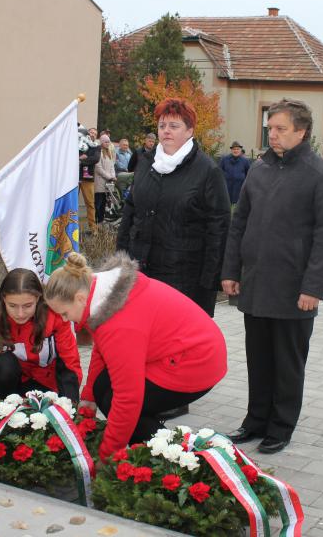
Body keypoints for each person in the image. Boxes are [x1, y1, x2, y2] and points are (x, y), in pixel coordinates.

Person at [220, 98, 323, 455]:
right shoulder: (259, 170)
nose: (272, 135)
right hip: (257, 283)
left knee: (288, 362)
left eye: (280, 129)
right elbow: (240, 222)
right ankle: (256, 420)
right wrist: (231, 270)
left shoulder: (322, 174)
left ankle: (281, 425)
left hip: (294, 288)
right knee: (258, 358)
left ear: (301, 132)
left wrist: (313, 287)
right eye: (270, 128)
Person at [46, 253, 227, 461]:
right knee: (101, 388)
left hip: (196, 363)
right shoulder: (105, 295)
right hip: (182, 350)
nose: (64, 320)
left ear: (79, 298)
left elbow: (128, 398)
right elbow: (102, 350)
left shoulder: (119, 324)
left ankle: (171, 460)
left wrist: (107, 456)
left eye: (64, 313)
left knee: (116, 401)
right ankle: (150, 447)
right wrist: (89, 397)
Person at [117, 98, 230, 419]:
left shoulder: (206, 170)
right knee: (142, 329)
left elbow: (219, 224)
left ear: (190, 130)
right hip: (142, 265)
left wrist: (211, 276)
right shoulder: (146, 163)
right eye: (162, 125)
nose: (166, 131)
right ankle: (144, 384)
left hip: (184, 269)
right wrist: (121, 256)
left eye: (174, 126)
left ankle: (177, 395)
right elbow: (131, 209)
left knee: (175, 337)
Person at [0, 268, 81, 420]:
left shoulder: (56, 314)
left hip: (47, 386)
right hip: (11, 386)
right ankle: (3, 414)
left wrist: (70, 410)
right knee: (3, 364)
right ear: (3, 299)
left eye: (27, 306)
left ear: (38, 298)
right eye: (12, 306)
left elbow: (69, 363)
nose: (20, 313)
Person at [78, 128, 100, 233]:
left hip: (88, 179)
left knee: (90, 204)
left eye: (95, 134)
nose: (93, 134)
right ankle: (69, 226)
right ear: (87, 134)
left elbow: (95, 159)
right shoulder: (79, 143)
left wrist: (81, 160)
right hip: (75, 178)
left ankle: (93, 229)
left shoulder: (96, 147)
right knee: (71, 203)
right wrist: (82, 157)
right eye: (91, 132)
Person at [94, 134, 116, 225]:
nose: (107, 144)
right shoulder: (99, 152)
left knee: (104, 203)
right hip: (100, 182)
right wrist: (109, 177)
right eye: (106, 142)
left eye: (108, 142)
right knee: (98, 203)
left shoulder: (109, 153)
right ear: (102, 142)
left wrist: (113, 176)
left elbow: (112, 166)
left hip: (108, 183)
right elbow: (98, 168)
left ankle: (101, 220)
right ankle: (96, 221)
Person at [220, 141, 251, 205]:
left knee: (238, 206)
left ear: (240, 150)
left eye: (237, 149)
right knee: (227, 205)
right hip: (227, 187)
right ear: (231, 150)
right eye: (234, 149)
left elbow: (249, 174)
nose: (236, 151)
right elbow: (219, 172)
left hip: (240, 188)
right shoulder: (224, 159)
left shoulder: (245, 161)